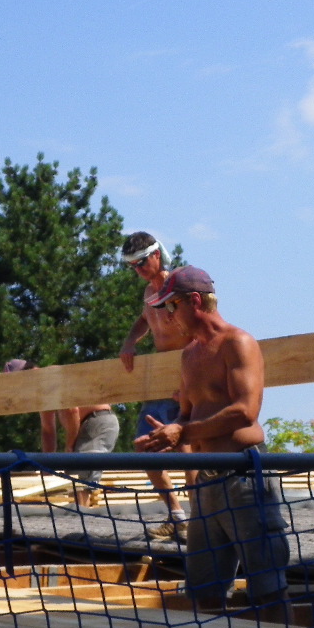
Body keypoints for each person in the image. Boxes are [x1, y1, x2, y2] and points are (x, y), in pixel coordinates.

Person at [134, 266, 289, 623]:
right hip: (206, 483)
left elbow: (245, 411)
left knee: (268, 587)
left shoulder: (238, 343)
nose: (168, 317)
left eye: (171, 306)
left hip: (244, 476)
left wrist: (183, 433)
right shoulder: (189, 354)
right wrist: (164, 435)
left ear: (195, 301)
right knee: (203, 591)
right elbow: (186, 416)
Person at [119, 231, 196, 542]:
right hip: (162, 383)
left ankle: (202, 519)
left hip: (188, 378)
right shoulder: (150, 293)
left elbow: (204, 328)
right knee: (145, 449)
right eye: (132, 266)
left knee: (188, 450)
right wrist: (129, 342)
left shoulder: (181, 286)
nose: (138, 270)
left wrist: (192, 383)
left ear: (156, 255)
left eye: (141, 262)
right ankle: (178, 517)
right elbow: (144, 319)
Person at [2, 359, 118, 508]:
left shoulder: (50, 376)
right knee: (73, 475)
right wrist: (46, 465)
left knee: (79, 474)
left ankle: (82, 515)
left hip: (97, 422)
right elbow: (48, 430)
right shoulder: (41, 391)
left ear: (27, 374)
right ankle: (80, 513)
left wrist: (70, 445)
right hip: (87, 425)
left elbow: (72, 411)